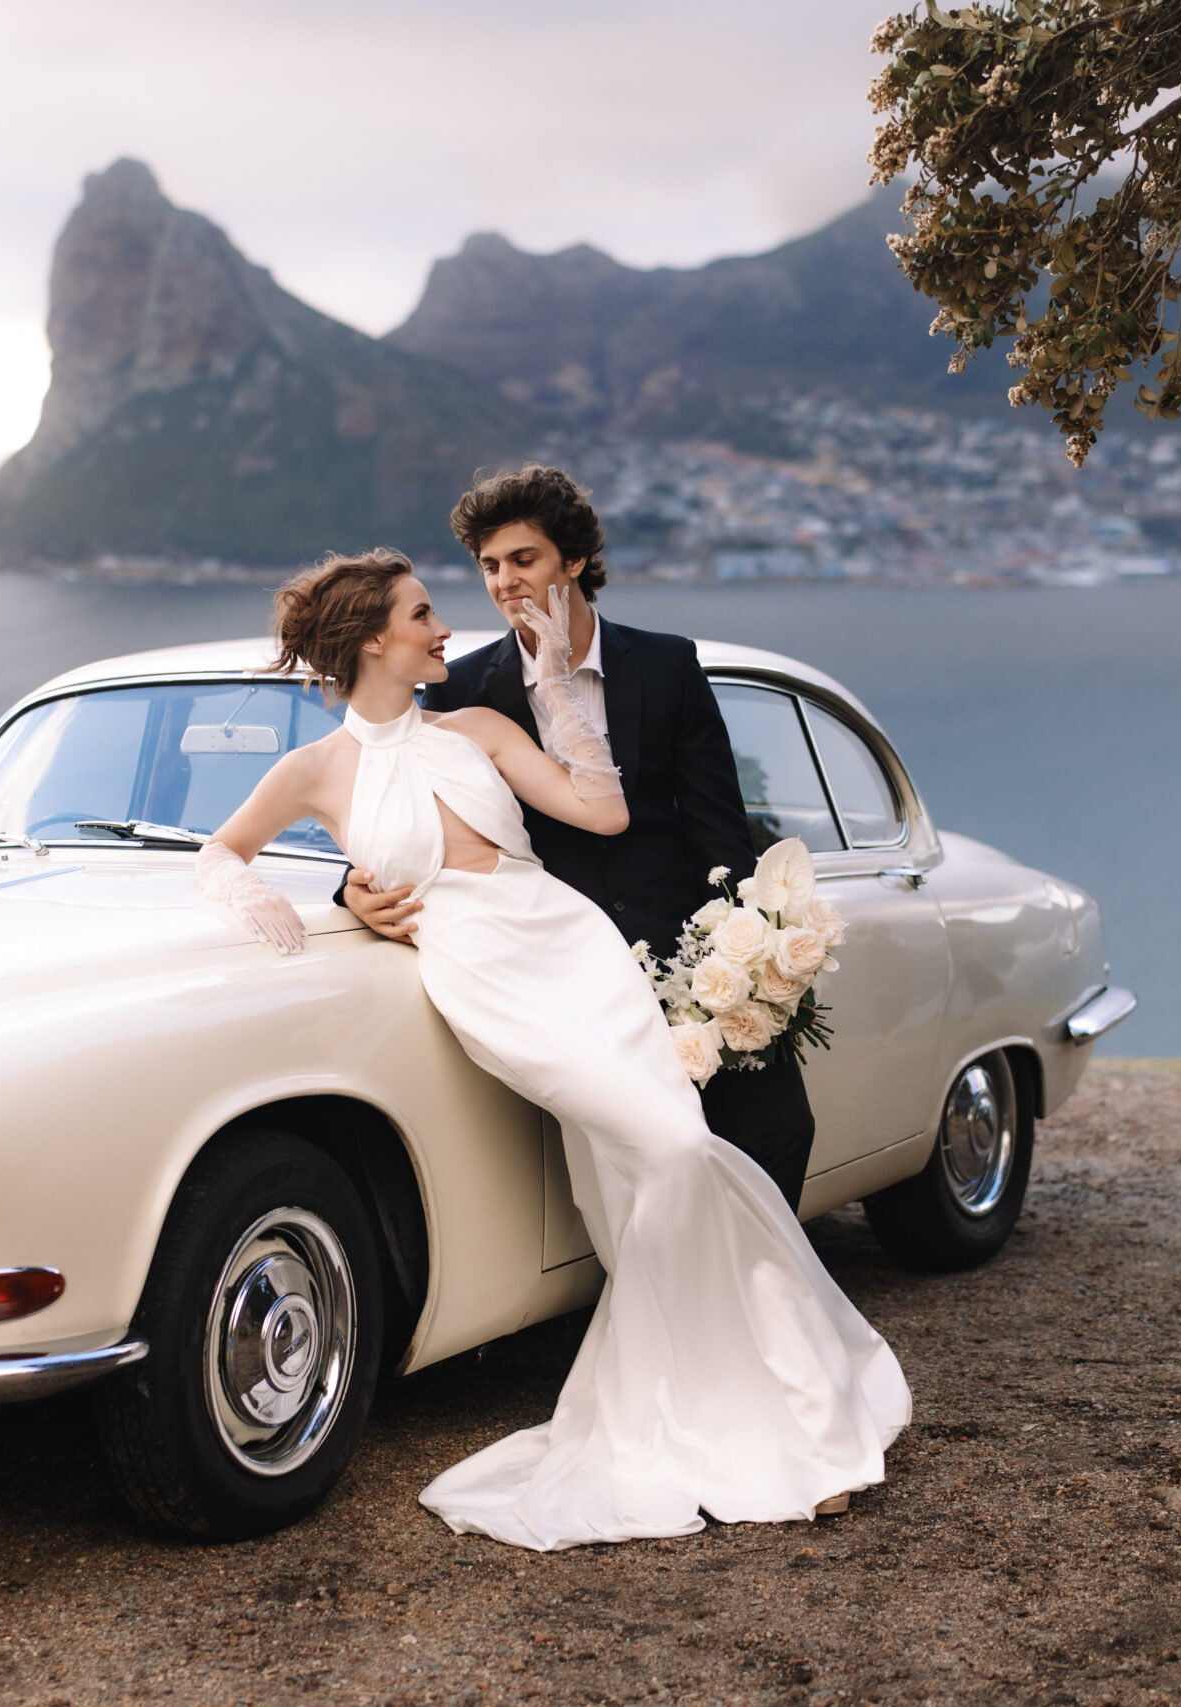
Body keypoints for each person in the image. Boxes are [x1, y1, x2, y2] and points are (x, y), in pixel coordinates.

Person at [197, 549, 909, 1552]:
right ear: (370, 640)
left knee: (666, 1155)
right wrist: (290, 899)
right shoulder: (312, 771)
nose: (444, 628)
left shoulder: (478, 727)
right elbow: (219, 851)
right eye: (422, 612)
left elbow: (601, 811)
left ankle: (766, 1402)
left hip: (574, 950)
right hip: (487, 977)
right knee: (665, 1155)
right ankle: (733, 1398)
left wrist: (566, 691)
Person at [337, 467, 818, 1215]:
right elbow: (395, 802)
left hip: (693, 950)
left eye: (522, 559)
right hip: (560, 963)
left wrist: (746, 946)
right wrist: (351, 888)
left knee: (779, 1128)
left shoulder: (666, 666)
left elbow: (720, 827)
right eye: (489, 565)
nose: (503, 582)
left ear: (574, 561)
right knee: (651, 1156)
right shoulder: (460, 691)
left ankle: (758, 1297)